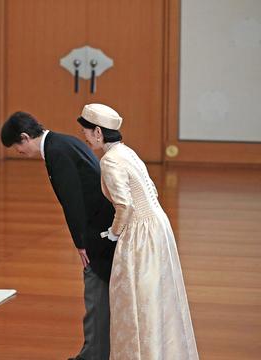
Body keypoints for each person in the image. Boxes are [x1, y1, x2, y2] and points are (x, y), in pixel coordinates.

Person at [77, 104, 199, 359]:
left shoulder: (110, 161)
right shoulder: (127, 152)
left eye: (86, 132)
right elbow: (150, 190)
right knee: (158, 296)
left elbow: (125, 206)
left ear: (98, 132)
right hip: (158, 226)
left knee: (135, 300)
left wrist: (112, 233)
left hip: (140, 234)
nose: (84, 137)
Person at [1, 112, 116, 360]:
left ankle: (92, 356)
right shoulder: (62, 141)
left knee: (95, 294)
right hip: (103, 225)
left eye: (17, 147)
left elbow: (73, 201)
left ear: (24, 137)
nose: (19, 152)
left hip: (97, 230)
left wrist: (81, 244)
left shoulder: (56, 152)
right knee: (102, 295)